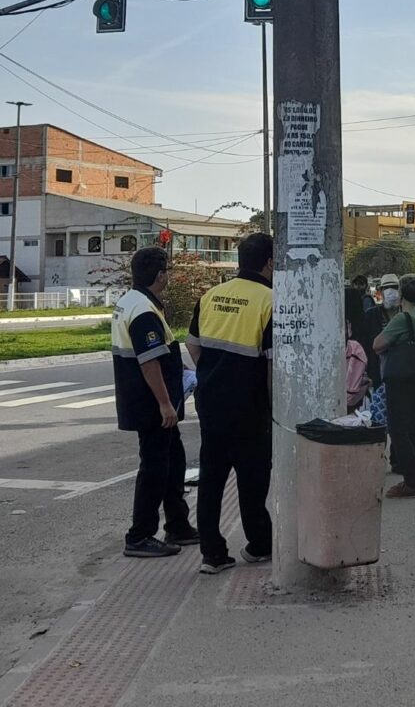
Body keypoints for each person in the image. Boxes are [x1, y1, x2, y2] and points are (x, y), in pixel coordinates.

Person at [186, 232, 273, 574]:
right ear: (269, 262)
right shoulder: (269, 300)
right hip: (249, 409)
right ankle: (259, 545)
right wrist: (273, 409)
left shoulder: (211, 296)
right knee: (252, 482)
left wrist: (213, 374)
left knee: (211, 481)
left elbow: (193, 348)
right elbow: (271, 363)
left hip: (211, 405)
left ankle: (212, 553)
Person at [112, 247, 196, 558]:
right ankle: (139, 536)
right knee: (154, 467)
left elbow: (158, 355)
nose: (169, 277)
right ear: (159, 276)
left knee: (173, 462)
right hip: (150, 404)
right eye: (167, 272)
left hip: (150, 399)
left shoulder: (133, 302)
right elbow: (148, 362)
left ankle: (178, 524)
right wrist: (164, 403)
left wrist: (180, 371)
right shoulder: (144, 311)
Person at [373, 274, 415, 498]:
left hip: (400, 381)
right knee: (409, 431)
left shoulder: (402, 319)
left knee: (398, 431)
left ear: (401, 294)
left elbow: (377, 344)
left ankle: (412, 482)